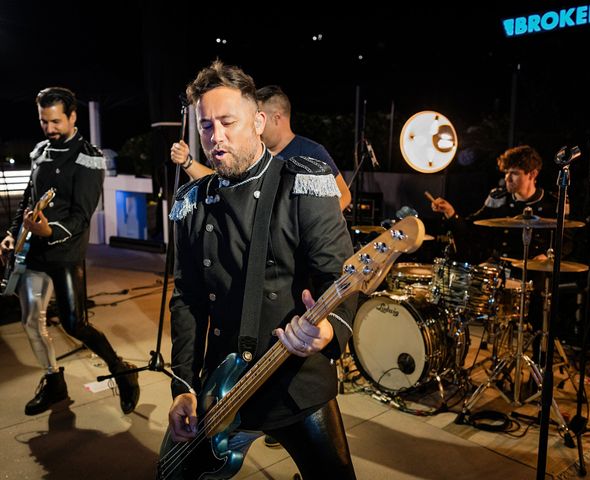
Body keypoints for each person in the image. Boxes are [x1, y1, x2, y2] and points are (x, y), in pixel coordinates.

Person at [162, 60, 357, 479]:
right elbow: (188, 301)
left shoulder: (302, 182)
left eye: (228, 122)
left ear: (259, 121)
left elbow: (339, 277)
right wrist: (183, 388)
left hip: (295, 384)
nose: (216, 137)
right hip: (221, 387)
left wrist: (326, 331)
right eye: (206, 125)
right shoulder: (192, 202)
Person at [0, 87, 140, 416]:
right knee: (32, 321)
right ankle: (54, 381)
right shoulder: (40, 152)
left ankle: (122, 370)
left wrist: (49, 230)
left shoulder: (88, 157)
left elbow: (81, 216)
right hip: (32, 251)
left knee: (75, 325)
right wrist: (10, 233)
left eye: (56, 121)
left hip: (65, 252)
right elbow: (29, 199)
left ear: (73, 116)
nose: (49, 128)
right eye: (43, 121)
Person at [429, 145, 563, 368]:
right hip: (501, 269)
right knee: (461, 297)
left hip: (534, 274)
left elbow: (566, 239)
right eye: (506, 173)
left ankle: (539, 369)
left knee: (541, 315)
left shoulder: (551, 202)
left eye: (514, 173)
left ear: (532, 174)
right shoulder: (497, 197)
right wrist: (452, 214)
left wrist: (548, 256)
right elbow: (474, 227)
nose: (508, 178)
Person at [170, 85, 352, 212]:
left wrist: (312, 225)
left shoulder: (311, 152)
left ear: (274, 118)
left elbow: (344, 195)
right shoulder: (251, 155)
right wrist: (188, 162)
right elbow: (216, 183)